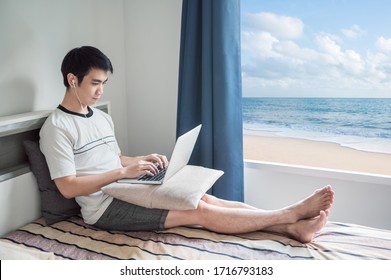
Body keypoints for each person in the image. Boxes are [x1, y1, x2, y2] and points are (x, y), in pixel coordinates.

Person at [40, 46, 334, 243]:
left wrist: (140, 160)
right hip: (103, 208)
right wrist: (121, 174)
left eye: (104, 83)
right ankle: (289, 215)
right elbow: (67, 187)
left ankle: (292, 227)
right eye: (94, 83)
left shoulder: (101, 118)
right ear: (72, 79)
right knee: (199, 212)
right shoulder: (56, 127)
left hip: (127, 188)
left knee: (205, 198)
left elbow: (114, 158)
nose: (100, 90)